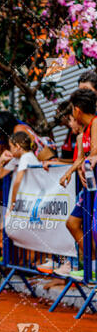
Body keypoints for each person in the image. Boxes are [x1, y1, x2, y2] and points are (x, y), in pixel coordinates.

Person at [59, 89, 97, 257]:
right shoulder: (83, 134)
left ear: (77, 110)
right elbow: (81, 158)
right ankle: (93, 264)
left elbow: (94, 152)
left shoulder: (96, 123)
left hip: (94, 184)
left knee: (94, 229)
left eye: (73, 109)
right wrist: (69, 172)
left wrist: (87, 163)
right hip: (88, 185)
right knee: (73, 223)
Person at [0, 132, 40, 209]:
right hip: (22, 201)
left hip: (28, 200)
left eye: (11, 147)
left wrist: (13, 203)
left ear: (18, 147)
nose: (10, 150)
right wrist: (1, 161)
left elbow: (18, 181)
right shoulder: (16, 159)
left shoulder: (26, 157)